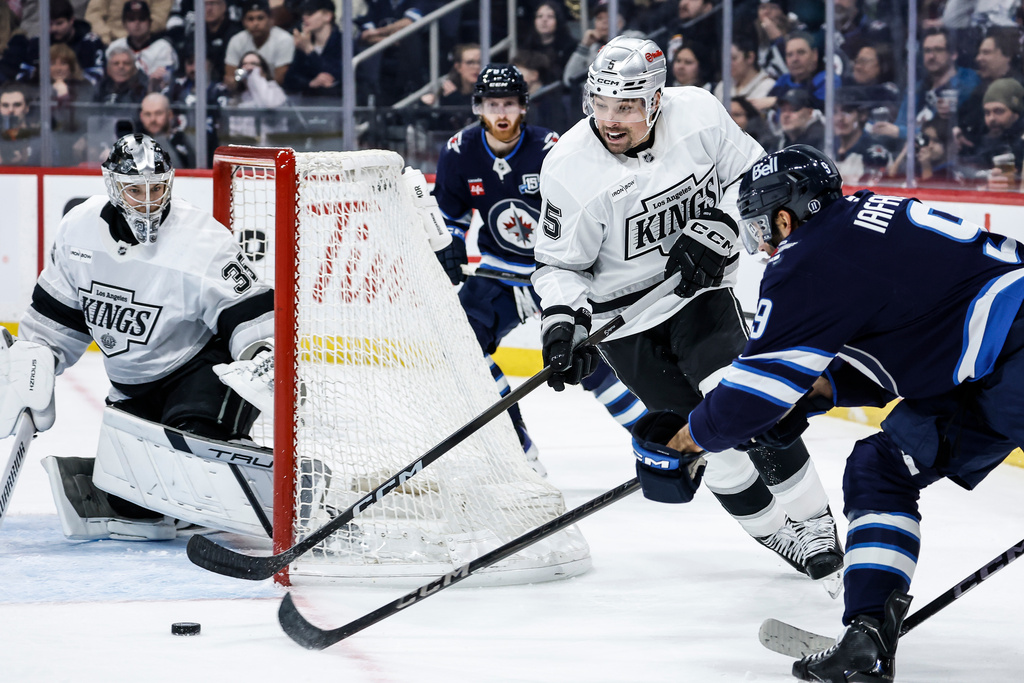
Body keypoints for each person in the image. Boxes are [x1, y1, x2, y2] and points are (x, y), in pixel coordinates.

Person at [653, 142, 1024, 681]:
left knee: (883, 468)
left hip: (1008, 359)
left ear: (785, 215)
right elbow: (907, 339)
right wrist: (820, 394)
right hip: (987, 371)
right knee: (880, 468)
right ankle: (867, 638)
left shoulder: (806, 259)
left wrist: (686, 442)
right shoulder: (869, 217)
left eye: (760, 226)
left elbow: (754, 390)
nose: (760, 244)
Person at [533, 36, 843, 583]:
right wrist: (562, 322)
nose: (610, 119)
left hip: (700, 293)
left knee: (743, 408)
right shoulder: (569, 166)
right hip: (623, 321)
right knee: (698, 441)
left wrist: (722, 226)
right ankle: (772, 529)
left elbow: (757, 178)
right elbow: (559, 266)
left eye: (626, 106)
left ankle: (814, 521)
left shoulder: (698, 112)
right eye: (601, 103)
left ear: (656, 99)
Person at [6, 133, 274, 541]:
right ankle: (193, 491)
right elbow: (57, 318)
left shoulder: (201, 238)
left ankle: (243, 473)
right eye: (135, 190)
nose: (148, 202)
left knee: (190, 448)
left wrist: (261, 353)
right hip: (133, 388)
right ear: (113, 186)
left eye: (156, 189)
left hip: (202, 368)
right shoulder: (79, 230)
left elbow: (248, 312)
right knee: (134, 501)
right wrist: (34, 360)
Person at [431, 64, 647, 475]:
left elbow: (591, 203)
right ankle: (519, 449)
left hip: (560, 272)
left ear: (523, 107)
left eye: (509, 104)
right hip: (498, 275)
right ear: (479, 106)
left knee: (589, 361)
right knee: (459, 342)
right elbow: (451, 212)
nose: (501, 113)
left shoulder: (551, 147)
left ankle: (657, 440)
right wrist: (453, 240)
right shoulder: (460, 150)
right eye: (493, 104)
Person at [0, 0, 106, 87]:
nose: (54, 28)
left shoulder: (90, 42)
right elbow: (23, 75)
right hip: (41, 98)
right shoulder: (37, 42)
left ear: (71, 20)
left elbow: (97, 76)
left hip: (80, 96)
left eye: (59, 23)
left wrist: (70, 85)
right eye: (49, 24)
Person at [106, 1, 179, 92]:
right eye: (131, 19)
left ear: (150, 22)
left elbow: (163, 83)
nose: (137, 23)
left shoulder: (163, 48)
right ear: (124, 24)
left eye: (142, 19)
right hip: (120, 96)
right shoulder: (114, 47)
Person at [224, 0, 295, 90]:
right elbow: (230, 78)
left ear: (271, 20)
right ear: (244, 22)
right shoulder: (236, 40)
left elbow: (280, 80)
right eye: (250, 19)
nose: (255, 23)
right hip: (243, 94)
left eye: (260, 18)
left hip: (275, 93)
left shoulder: (284, 39)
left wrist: (259, 78)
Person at [283, 0, 344, 101]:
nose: (304, 18)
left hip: (338, 102)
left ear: (327, 16)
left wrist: (310, 51)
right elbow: (289, 81)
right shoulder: (304, 43)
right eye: (303, 14)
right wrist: (310, 83)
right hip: (310, 103)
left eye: (310, 13)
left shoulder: (343, 42)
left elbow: (336, 76)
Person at [521, 0, 577, 84]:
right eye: (539, 16)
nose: (544, 20)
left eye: (550, 16)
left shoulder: (570, 47)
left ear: (558, 21)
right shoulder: (528, 46)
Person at [138, 91, 195, 168]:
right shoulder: (134, 145)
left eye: (158, 113)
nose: (153, 119)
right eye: (148, 114)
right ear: (141, 116)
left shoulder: (185, 143)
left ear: (170, 115)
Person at [85, 0, 173, 45]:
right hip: (110, 40)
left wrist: (137, 36)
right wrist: (106, 36)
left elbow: (159, 18)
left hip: (147, 41)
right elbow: (93, 15)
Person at [0, 83, 40, 166]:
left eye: (17, 105)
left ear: (27, 108)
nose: (11, 110)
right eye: (5, 105)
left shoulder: (40, 138)